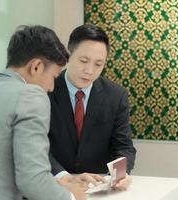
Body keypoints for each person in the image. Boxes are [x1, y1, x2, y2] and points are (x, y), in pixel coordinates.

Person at [0, 25, 101, 200]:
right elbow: (32, 180)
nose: (51, 88)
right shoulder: (30, 95)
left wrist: (55, 185)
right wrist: (72, 196)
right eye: (54, 77)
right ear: (36, 67)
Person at [48, 24, 136, 190]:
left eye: (98, 64)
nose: (89, 70)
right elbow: (37, 146)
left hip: (97, 189)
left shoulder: (116, 96)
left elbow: (123, 146)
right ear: (69, 54)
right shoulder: (45, 89)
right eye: (83, 61)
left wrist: (118, 175)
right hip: (54, 187)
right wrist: (64, 177)